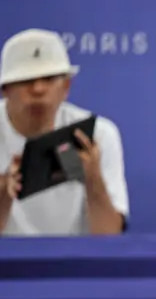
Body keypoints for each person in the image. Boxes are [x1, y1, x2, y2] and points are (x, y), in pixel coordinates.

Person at [0, 28, 129, 236]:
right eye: (26, 81)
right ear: (5, 90)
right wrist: (4, 192)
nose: (38, 89)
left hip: (76, 263)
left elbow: (109, 236)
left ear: (66, 86)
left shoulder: (99, 135)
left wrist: (93, 179)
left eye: (49, 79)